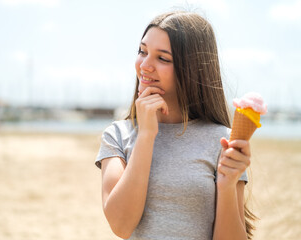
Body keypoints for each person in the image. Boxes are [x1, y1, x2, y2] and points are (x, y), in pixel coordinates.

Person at [95, 10, 257, 240]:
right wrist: (146, 135)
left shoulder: (222, 141)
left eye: (162, 58)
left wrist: (228, 186)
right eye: (143, 52)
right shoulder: (118, 135)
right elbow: (121, 226)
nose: (145, 65)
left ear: (191, 68)